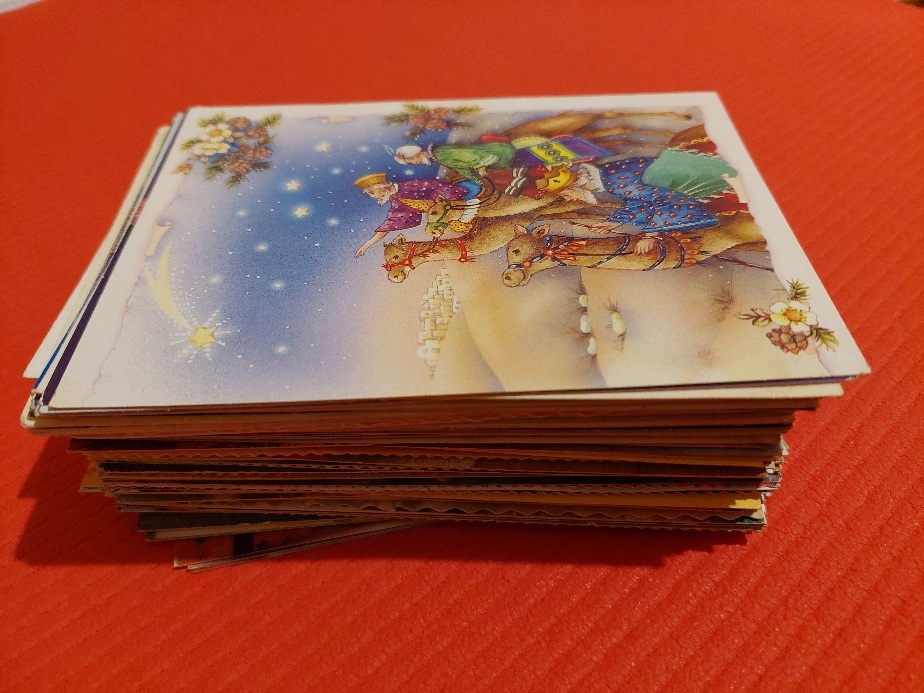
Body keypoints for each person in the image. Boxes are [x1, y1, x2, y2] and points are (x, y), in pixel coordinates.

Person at [353, 173, 475, 257]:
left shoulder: (410, 185)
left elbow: (434, 186)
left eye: (372, 192)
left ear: (382, 187)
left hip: (454, 201)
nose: (374, 196)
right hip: (440, 215)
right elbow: (390, 224)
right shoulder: (397, 200)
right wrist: (367, 245)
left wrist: (439, 202)